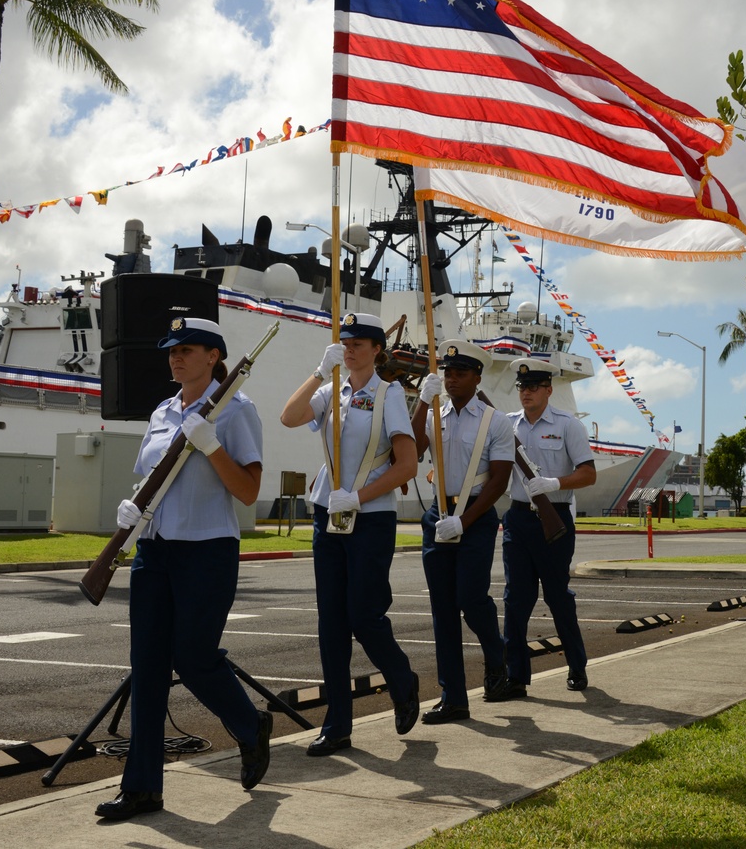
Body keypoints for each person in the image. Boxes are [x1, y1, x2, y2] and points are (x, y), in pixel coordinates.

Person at [95, 317, 272, 821]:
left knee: (194, 657)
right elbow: (153, 476)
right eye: (171, 349)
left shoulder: (236, 411)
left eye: (187, 349)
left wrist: (212, 445)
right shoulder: (162, 410)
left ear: (214, 356)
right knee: (147, 670)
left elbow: (248, 491)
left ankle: (248, 723)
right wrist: (130, 510)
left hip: (207, 549)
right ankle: (143, 788)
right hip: (155, 551)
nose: (176, 357)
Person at [281, 312, 419, 755]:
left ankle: (402, 678)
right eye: (345, 341)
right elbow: (289, 417)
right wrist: (320, 371)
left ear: (378, 348)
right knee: (331, 624)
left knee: (364, 615)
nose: (351, 347)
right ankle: (338, 722)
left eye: (360, 341)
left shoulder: (390, 394)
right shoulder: (331, 391)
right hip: (328, 513)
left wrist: (359, 497)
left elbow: (407, 465)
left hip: (371, 516)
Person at [411, 341, 514, 721]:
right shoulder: (433, 412)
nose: (451, 379)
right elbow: (411, 448)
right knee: (442, 610)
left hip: (475, 515)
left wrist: (465, 521)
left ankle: (496, 657)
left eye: (460, 373)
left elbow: (499, 481)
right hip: (439, 513)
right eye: (447, 372)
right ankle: (453, 697)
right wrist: (423, 400)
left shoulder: (495, 421)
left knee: (471, 599)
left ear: (477, 377)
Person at [488, 358, 597, 702]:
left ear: (549, 390)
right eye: (521, 387)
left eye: (534, 387)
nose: (526, 393)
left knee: (557, 597)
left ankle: (577, 666)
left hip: (556, 517)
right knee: (515, 600)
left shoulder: (568, 426)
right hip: (518, 520)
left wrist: (554, 482)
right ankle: (516, 676)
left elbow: (588, 473)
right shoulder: (506, 424)